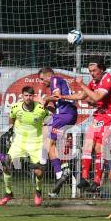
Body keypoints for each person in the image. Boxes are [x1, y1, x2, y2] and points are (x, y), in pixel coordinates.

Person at [55, 56, 111, 194]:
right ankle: (84, 179)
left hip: (110, 118)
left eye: (94, 70)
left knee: (99, 148)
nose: (92, 73)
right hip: (99, 116)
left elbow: (96, 97)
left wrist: (81, 84)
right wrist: (63, 97)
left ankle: (96, 181)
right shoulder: (95, 81)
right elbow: (82, 95)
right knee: (87, 145)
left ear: (101, 69)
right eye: (90, 71)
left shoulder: (108, 80)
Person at [0, 86, 50, 207]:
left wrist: (46, 126)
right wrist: (10, 130)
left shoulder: (41, 109)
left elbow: (48, 118)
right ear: (22, 96)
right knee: (6, 163)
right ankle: (8, 193)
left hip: (36, 142)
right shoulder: (16, 107)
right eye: (26, 95)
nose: (28, 98)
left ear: (33, 96)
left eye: (30, 96)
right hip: (19, 141)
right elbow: (11, 118)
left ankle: (38, 191)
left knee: (39, 172)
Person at [38, 67, 78, 198]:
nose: (42, 82)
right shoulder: (61, 81)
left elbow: (56, 96)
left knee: (45, 131)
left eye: (42, 79)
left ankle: (43, 163)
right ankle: (62, 172)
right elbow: (55, 105)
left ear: (48, 76)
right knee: (51, 143)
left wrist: (45, 99)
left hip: (66, 114)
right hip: (69, 116)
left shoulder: (55, 79)